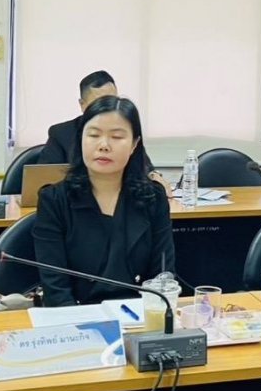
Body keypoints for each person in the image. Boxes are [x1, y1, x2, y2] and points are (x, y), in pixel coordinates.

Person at [32, 95, 175, 306]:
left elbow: (162, 276)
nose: (104, 145)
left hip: (140, 313)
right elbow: (56, 289)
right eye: (94, 135)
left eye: (116, 137)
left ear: (134, 144)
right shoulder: (54, 201)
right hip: (77, 315)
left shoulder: (153, 198)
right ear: (80, 139)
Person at [37, 69, 170, 191]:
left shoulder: (125, 130)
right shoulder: (60, 133)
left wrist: (154, 176)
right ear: (82, 105)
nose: (107, 108)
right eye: (99, 103)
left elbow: (145, 167)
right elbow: (43, 180)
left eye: (111, 101)